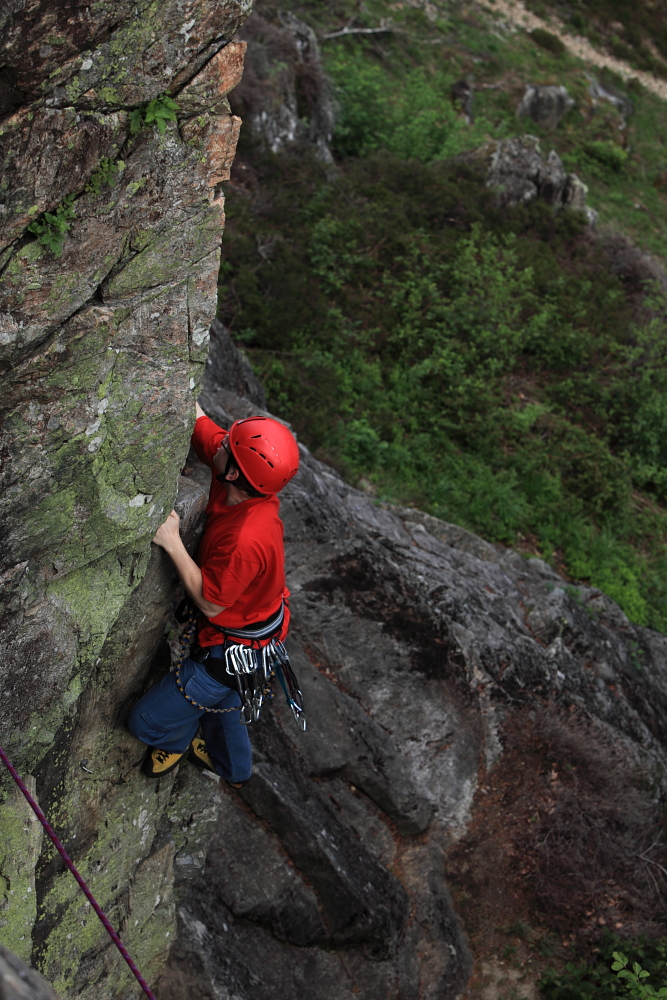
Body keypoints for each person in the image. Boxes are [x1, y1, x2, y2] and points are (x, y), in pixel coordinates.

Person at [128, 401, 300, 785]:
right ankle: (234, 770)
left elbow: (210, 600)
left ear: (235, 471)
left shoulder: (246, 538)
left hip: (227, 652)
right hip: (262, 635)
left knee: (144, 721)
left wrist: (173, 543)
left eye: (228, 447)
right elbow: (206, 429)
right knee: (224, 707)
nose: (220, 445)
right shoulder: (243, 480)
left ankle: (175, 741)